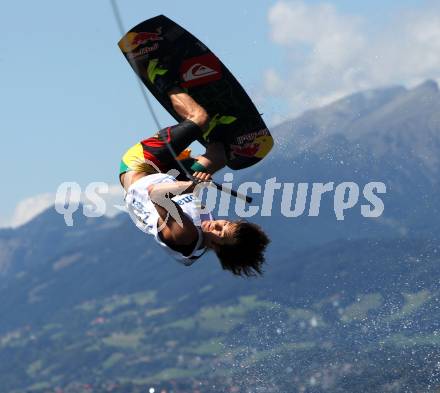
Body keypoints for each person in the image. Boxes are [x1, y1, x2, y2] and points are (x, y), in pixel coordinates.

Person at [119, 84, 269, 276]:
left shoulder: (185, 236)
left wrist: (191, 186)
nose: (216, 225)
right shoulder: (209, 231)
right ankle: (213, 129)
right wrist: (194, 182)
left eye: (220, 233)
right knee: (219, 156)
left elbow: (156, 194)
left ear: (218, 248)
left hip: (139, 167)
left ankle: (166, 81)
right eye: (224, 224)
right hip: (169, 174)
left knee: (199, 118)